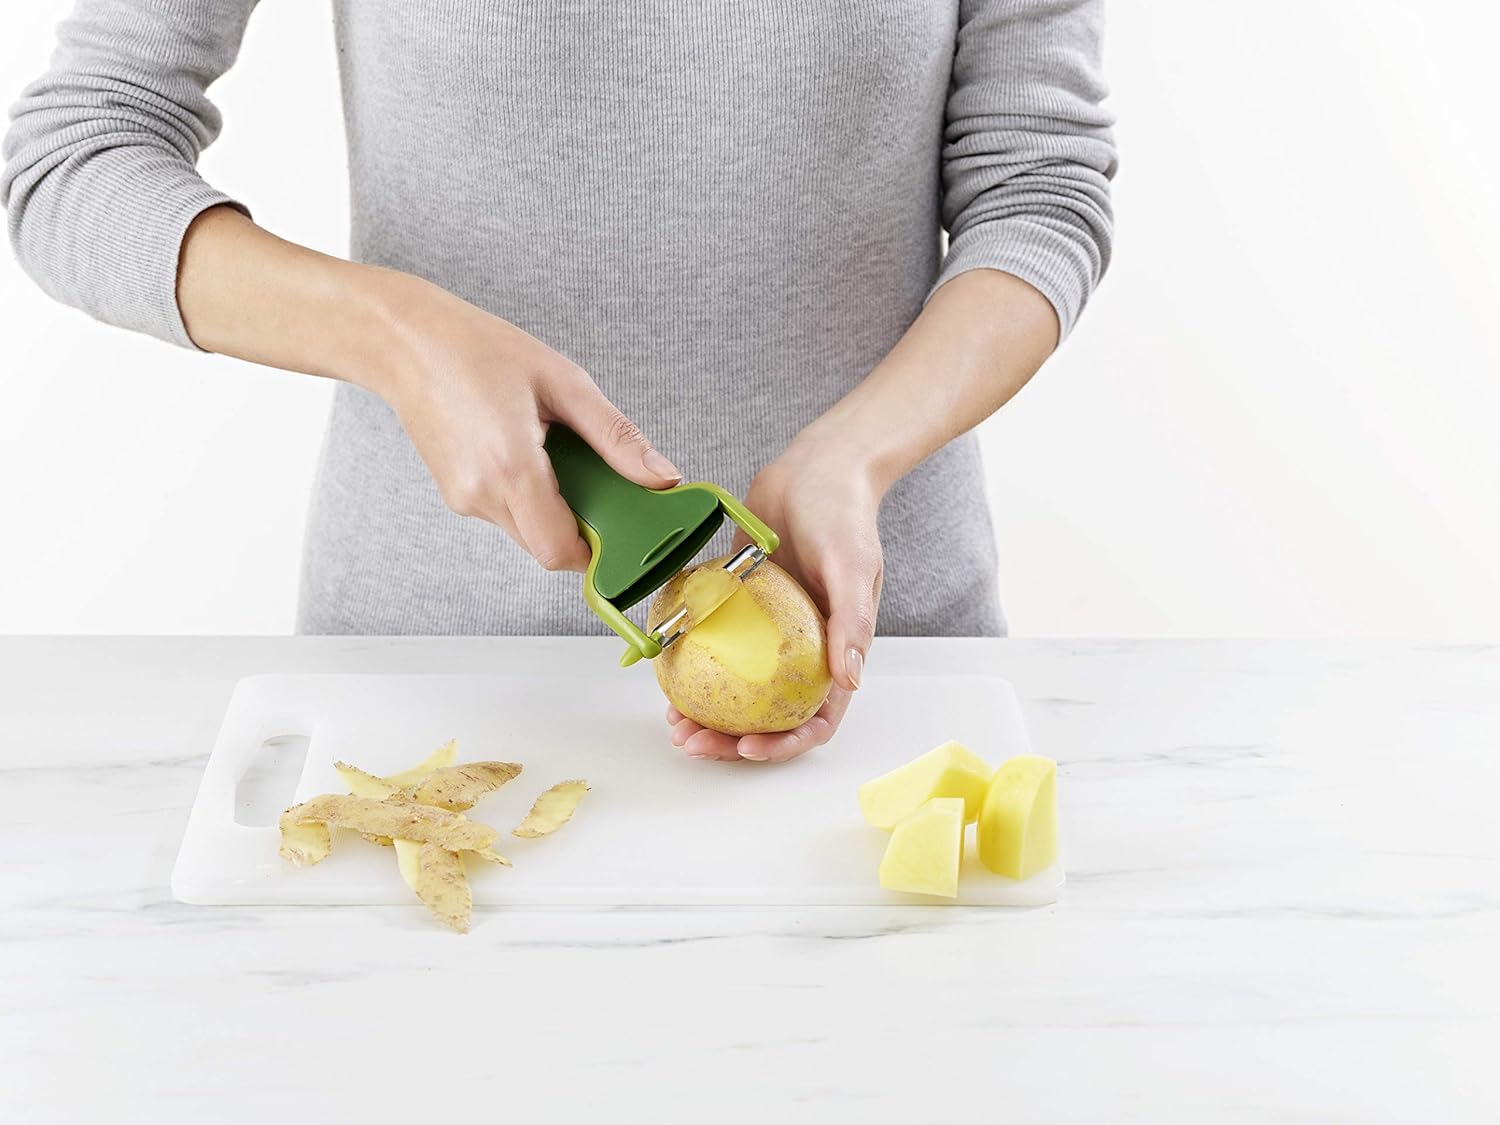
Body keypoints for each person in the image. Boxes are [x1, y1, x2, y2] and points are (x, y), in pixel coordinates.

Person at [3, 1, 1115, 763]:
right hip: (426, 692)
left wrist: (859, 452)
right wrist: (395, 333)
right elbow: (74, 157)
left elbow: (1039, 189)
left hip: (882, 675)